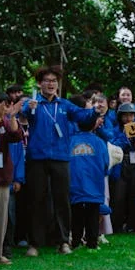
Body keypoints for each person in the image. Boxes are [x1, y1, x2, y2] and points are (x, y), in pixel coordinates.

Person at [22, 66, 104, 256]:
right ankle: (34, 243)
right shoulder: (34, 103)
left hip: (61, 158)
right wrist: (29, 108)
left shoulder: (65, 105)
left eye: (54, 81)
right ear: (39, 83)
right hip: (37, 158)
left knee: (62, 200)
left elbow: (82, 116)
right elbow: (24, 113)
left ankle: (63, 242)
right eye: (47, 81)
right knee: (36, 200)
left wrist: (95, 111)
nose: (51, 84)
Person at [68, 104, 109, 250]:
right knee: (93, 214)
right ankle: (92, 242)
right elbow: (106, 163)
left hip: (75, 184)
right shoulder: (99, 142)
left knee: (77, 214)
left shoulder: (70, 141)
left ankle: (76, 241)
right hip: (94, 184)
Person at [0, 92, 23, 264]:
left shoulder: (5, 121)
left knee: (0, 218)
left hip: (2, 176)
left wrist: (12, 116)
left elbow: (16, 136)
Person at [109, 103, 135, 233]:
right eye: (125, 116)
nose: (129, 118)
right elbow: (113, 144)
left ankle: (133, 225)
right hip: (121, 163)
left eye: (131, 115)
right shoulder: (115, 130)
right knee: (119, 196)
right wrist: (125, 136)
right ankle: (117, 226)